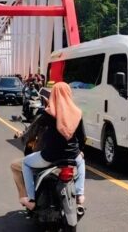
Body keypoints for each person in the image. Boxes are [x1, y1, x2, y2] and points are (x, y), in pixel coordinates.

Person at [20, 82, 86, 210]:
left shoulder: (48, 114)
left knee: (25, 163)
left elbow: (34, 130)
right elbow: (81, 137)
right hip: (72, 155)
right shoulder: (77, 113)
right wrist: (80, 151)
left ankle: (31, 199)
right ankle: (80, 194)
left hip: (50, 156)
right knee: (81, 162)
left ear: (53, 95)